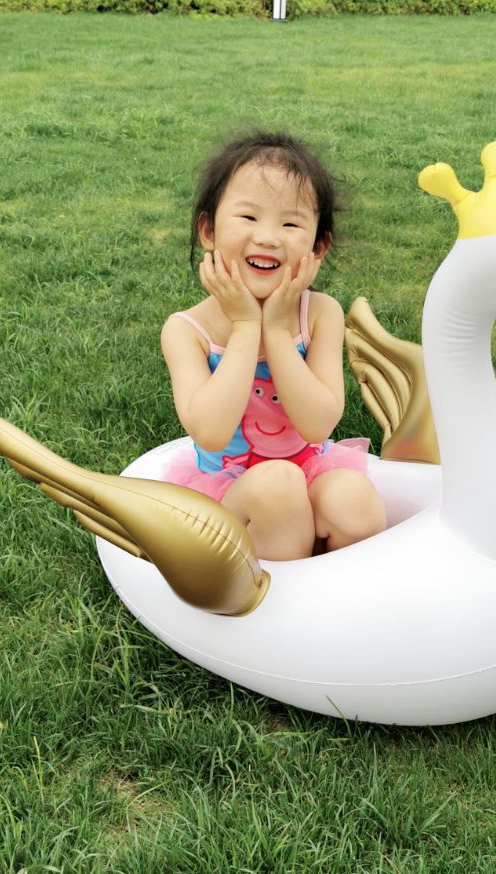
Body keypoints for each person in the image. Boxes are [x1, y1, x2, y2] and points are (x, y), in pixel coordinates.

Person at [161, 131, 387, 561]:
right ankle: (280, 588)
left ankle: (330, 581)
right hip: (233, 497)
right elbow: (210, 431)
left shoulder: (319, 313)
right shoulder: (187, 330)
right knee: (277, 487)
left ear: (318, 246)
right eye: (248, 217)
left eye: (290, 224)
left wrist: (279, 331)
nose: (267, 237)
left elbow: (317, 426)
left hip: (309, 471)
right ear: (208, 230)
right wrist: (247, 325)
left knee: (354, 500)